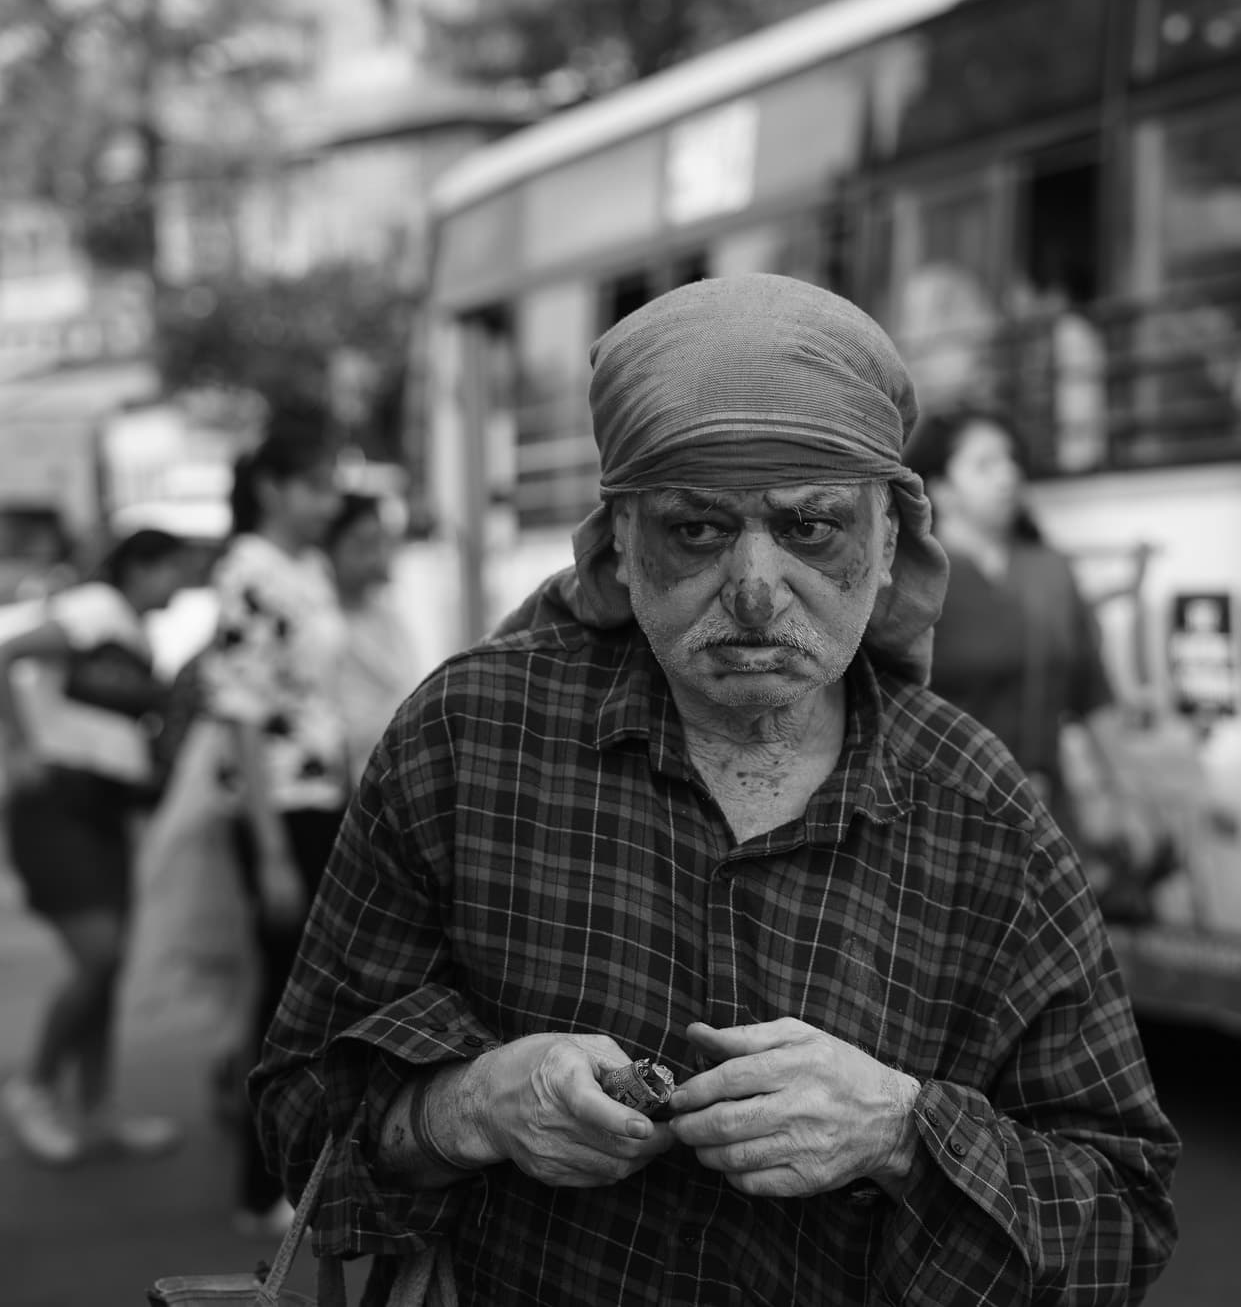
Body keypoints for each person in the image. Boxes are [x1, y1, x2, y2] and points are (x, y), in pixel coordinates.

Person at [251, 274, 1179, 1305]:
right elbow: (298, 1118)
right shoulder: (468, 741)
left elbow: (1121, 1218)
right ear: (620, 542)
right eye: (696, 530)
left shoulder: (982, 814)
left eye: (811, 527)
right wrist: (468, 1109)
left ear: (887, 544)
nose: (753, 591)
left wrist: (899, 1134)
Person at [902, 405, 1161, 920]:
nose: (1008, 475)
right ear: (942, 489)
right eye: (985, 464)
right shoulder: (906, 580)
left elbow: (1094, 695)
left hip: (1044, 819)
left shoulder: (1050, 571)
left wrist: (1130, 798)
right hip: (937, 830)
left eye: (1011, 460)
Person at [0, 526, 192, 1166]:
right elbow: (1, 656)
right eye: (174, 569)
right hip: (58, 805)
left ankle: (98, 1108)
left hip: (105, 808)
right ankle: (33, 1089)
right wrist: (19, 745)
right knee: (98, 954)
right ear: (140, 568)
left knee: (111, 964)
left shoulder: (133, 633)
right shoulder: (94, 610)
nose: (182, 583)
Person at [206, 426, 348, 1236]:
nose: (330, 501)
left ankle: (294, 1170)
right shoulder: (247, 572)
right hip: (279, 810)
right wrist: (267, 851)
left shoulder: (308, 568)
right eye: (316, 485)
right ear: (271, 488)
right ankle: (260, 1185)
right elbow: (240, 718)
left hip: (322, 798)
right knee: (282, 998)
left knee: (311, 993)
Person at [325, 492, 427, 786]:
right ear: (331, 546)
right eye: (362, 544)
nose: (377, 555)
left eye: (381, 542)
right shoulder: (319, 623)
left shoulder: (389, 614)